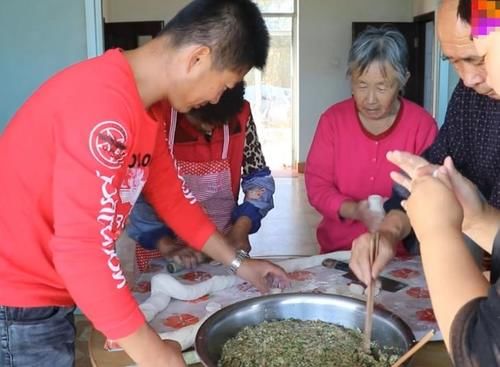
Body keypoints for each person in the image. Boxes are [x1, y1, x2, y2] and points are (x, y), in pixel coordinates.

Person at [0, 1, 289, 366]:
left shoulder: (147, 108)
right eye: (224, 84)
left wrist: (239, 264)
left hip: (50, 294)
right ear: (198, 58)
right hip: (19, 301)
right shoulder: (104, 104)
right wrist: (159, 358)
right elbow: (82, 251)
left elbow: (174, 199)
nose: (217, 99)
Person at [350, 0, 500, 287]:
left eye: (478, 58)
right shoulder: (470, 97)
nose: (468, 79)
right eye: (454, 61)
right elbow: (432, 171)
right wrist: (389, 232)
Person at [304, 26, 437, 254]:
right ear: (350, 78)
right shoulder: (333, 121)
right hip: (339, 251)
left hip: (399, 256)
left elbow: (430, 194)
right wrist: (355, 210)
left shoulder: (422, 125)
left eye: (383, 87)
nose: (370, 99)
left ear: (403, 80)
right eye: (361, 85)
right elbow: (317, 186)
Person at [126, 81, 275, 271]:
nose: (209, 130)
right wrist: (165, 244)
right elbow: (134, 191)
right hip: (161, 247)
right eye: (202, 123)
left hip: (225, 243)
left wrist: (240, 229)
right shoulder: (156, 116)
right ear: (189, 104)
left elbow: (259, 179)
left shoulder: (239, 115)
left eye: (218, 124)